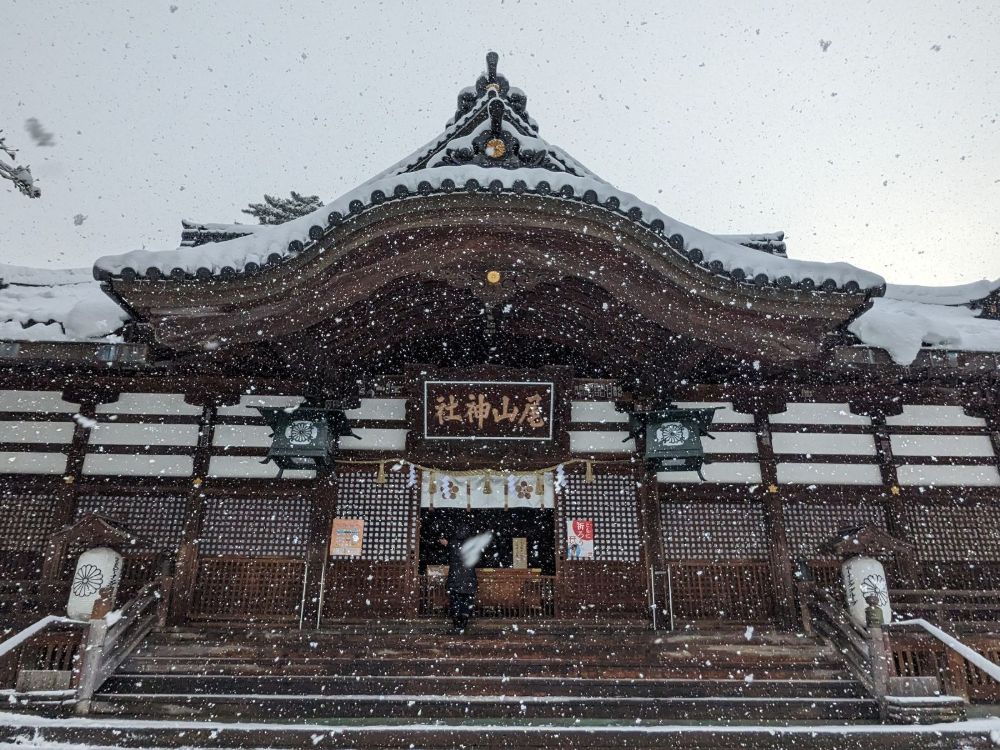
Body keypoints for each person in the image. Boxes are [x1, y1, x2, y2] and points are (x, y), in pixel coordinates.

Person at [439, 523, 477, 634]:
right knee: (466, 601)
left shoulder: (452, 543)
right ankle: (463, 623)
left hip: (455, 577)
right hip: (469, 578)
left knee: (455, 601)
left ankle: (456, 623)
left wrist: (446, 543)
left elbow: (446, 543)